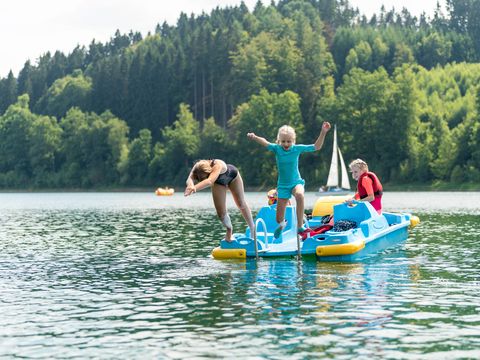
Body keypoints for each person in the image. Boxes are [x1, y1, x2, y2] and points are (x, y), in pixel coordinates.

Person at [247, 122, 331, 238]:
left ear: (293, 141)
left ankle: (300, 226)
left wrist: (323, 132)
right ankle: (282, 224)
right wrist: (255, 137)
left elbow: (316, 147)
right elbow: (265, 142)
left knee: (300, 195)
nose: (286, 144)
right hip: (283, 186)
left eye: (289, 141)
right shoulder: (277, 149)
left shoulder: (296, 149)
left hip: (296, 182)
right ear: (279, 141)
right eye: (283, 141)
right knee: (278, 218)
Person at [184, 159, 255, 242]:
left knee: (241, 204)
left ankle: (252, 229)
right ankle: (229, 231)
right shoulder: (197, 167)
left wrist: (195, 188)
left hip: (232, 176)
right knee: (221, 213)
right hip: (219, 182)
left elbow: (210, 181)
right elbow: (189, 179)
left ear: (209, 171)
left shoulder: (217, 165)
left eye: (204, 177)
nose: (202, 179)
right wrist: (190, 185)